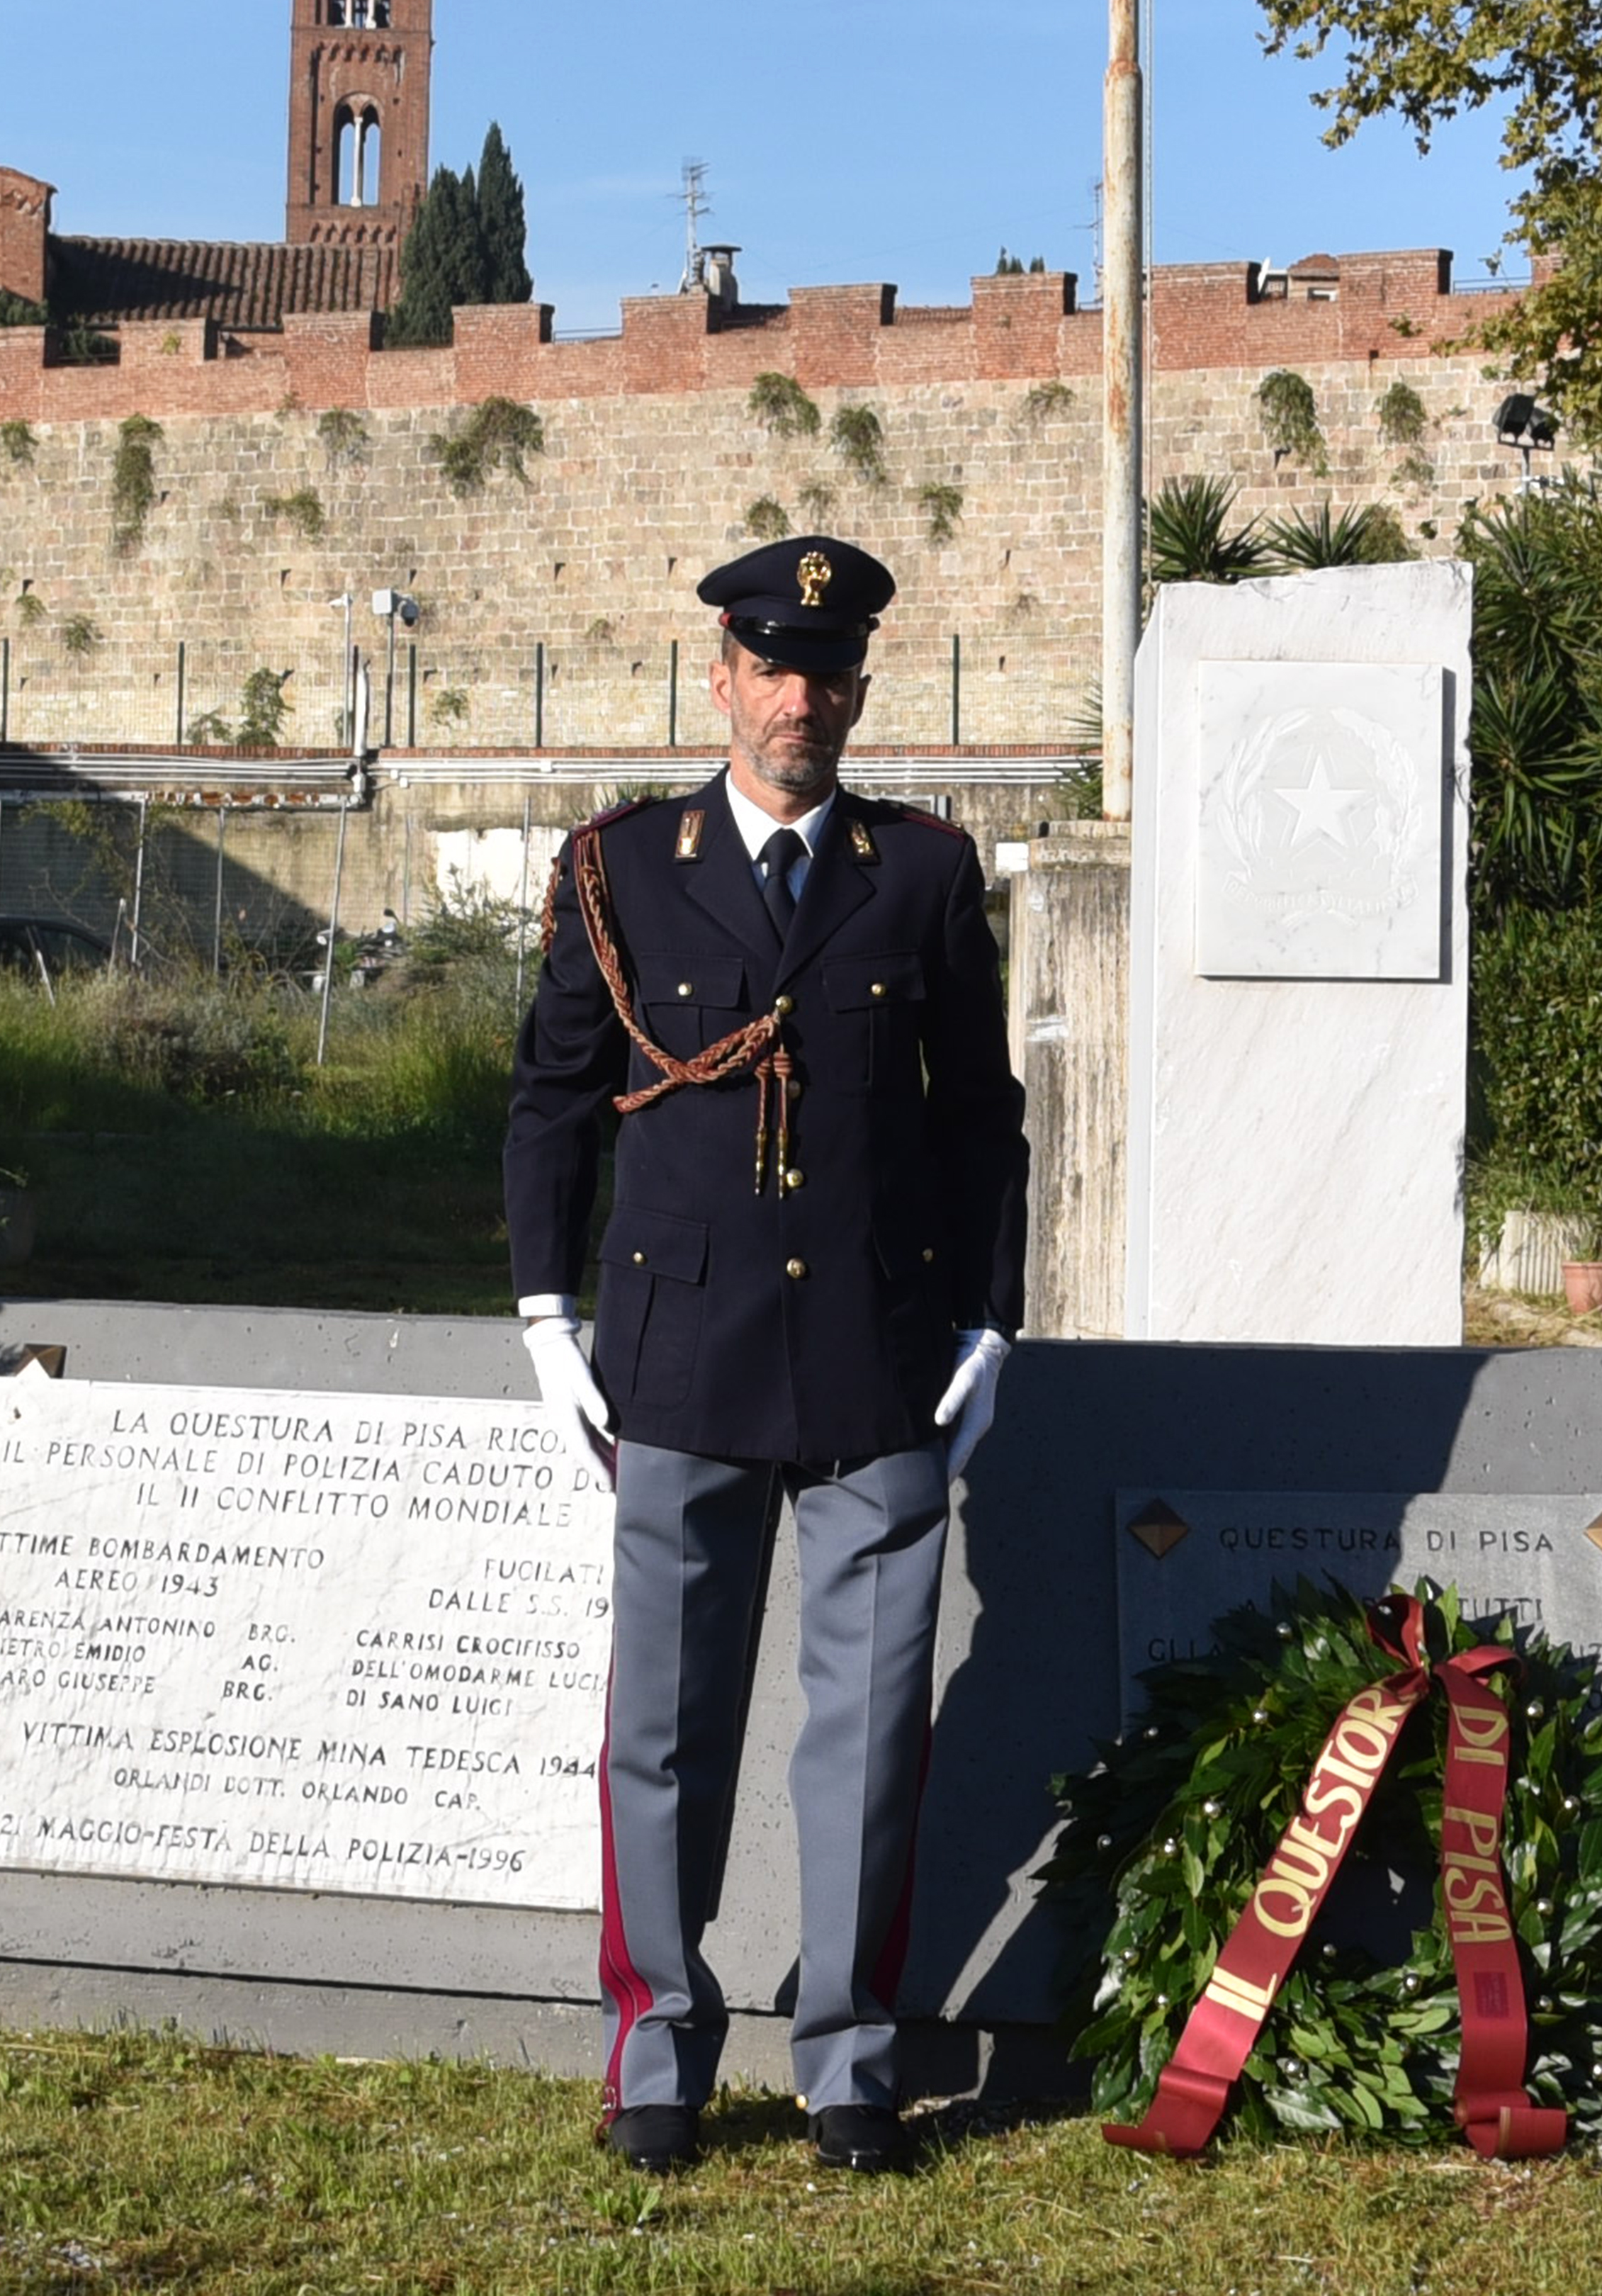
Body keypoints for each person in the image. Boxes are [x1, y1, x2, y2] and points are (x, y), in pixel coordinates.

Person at [502, 534, 1027, 2178]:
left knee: (869, 1721)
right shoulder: (623, 868)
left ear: (859, 691)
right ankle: (659, 2041)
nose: (803, 700)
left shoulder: (922, 872)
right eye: (775, 668)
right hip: (676, 1347)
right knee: (664, 1720)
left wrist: (991, 1318)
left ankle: (848, 2060)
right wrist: (541, 1308)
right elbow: (554, 1096)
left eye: (832, 673)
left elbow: (981, 1122)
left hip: (875, 1351)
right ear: (720, 680)